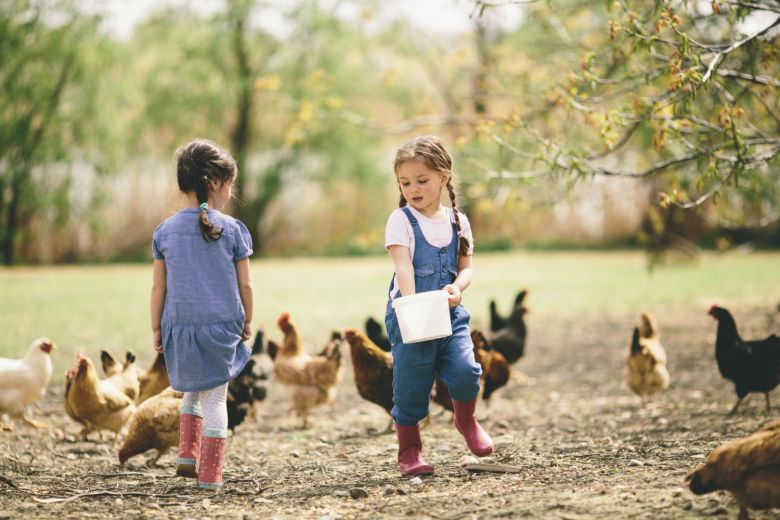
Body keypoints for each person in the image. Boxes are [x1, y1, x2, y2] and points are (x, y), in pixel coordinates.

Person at [384, 135, 494, 476]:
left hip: (450, 313)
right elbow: (403, 266)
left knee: (465, 371)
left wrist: (457, 290)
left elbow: (467, 268)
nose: (413, 189)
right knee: (411, 386)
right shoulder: (401, 220)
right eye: (405, 183)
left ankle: (467, 421)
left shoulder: (458, 222)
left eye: (422, 180)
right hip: (411, 313)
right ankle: (410, 451)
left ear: (444, 177)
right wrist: (416, 305)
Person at [150, 139, 254, 490]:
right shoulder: (234, 230)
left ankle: (186, 455)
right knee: (215, 397)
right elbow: (246, 286)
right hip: (221, 329)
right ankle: (210, 474)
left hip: (180, 328)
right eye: (229, 184)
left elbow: (158, 290)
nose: (230, 192)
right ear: (215, 182)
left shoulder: (164, 232)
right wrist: (248, 320)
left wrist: (156, 329)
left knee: (192, 392)